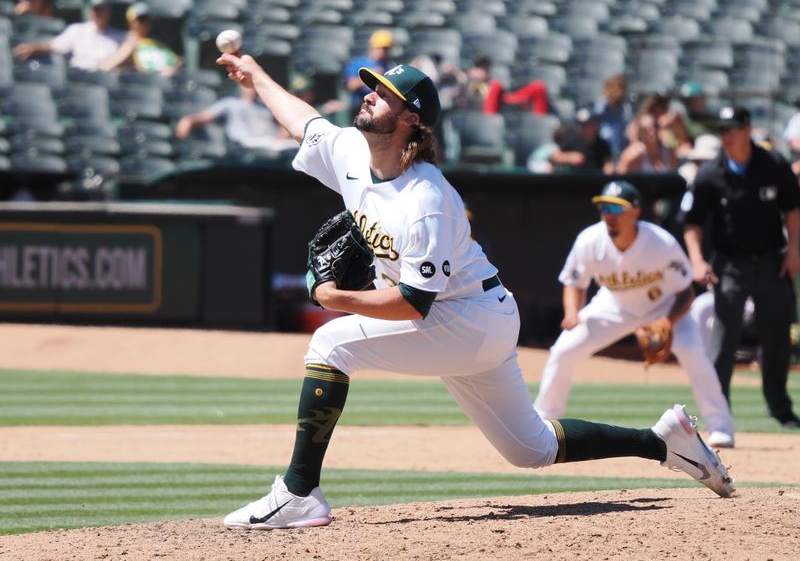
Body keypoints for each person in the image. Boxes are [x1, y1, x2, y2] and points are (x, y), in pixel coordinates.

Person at [214, 52, 734, 530]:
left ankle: (299, 492)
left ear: (410, 119)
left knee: (330, 344)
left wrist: (334, 299)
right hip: (473, 317)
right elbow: (303, 120)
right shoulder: (351, 151)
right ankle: (661, 441)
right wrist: (256, 76)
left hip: (464, 317)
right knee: (529, 448)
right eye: (370, 86)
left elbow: (412, 304)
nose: (368, 93)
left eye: (383, 93)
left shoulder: (428, 199)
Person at [533, 181, 735, 448]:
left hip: (664, 307)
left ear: (636, 212)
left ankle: (721, 427)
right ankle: (543, 420)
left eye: (617, 209)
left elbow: (686, 293)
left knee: (693, 353)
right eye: (604, 207)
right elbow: (574, 281)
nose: (608, 214)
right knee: (563, 350)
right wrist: (572, 312)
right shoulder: (590, 240)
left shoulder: (660, 243)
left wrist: (668, 321)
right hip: (614, 306)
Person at [683, 106, 800, 429]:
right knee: (724, 336)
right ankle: (719, 414)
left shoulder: (773, 164)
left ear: (748, 129)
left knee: (776, 334)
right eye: (724, 130)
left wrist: (794, 250)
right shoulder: (711, 173)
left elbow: (793, 209)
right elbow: (692, 222)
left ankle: (780, 408)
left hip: (770, 262)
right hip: (729, 264)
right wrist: (696, 259)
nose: (728, 136)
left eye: (734, 129)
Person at [12, 0, 125, 71]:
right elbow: (56, 45)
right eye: (95, 9)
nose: (98, 13)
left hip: (105, 78)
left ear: (108, 12)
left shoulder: (120, 37)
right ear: (90, 11)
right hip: (78, 76)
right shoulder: (77, 29)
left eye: (101, 9)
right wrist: (33, 48)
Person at [175, 82, 297, 153]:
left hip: (273, 142)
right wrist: (188, 120)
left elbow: (282, 129)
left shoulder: (266, 106)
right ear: (241, 86)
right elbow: (205, 117)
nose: (251, 88)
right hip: (247, 143)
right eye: (247, 84)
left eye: (253, 85)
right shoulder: (230, 103)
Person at [100, 2, 179, 76]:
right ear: (130, 22)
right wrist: (128, 50)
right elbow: (106, 67)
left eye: (146, 19)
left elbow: (173, 63)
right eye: (140, 19)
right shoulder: (123, 40)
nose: (144, 23)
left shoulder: (158, 43)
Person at [456, 56, 549, 116]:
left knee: (538, 86)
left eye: (485, 67)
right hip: (481, 111)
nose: (484, 70)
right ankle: (489, 120)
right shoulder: (465, 81)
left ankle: (542, 121)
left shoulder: (492, 83)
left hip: (503, 102)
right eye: (480, 67)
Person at [343, 29, 394, 122]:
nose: (385, 51)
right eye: (382, 48)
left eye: (387, 49)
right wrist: (370, 76)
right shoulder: (358, 63)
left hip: (378, 108)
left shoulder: (388, 66)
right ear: (373, 47)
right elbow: (351, 85)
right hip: (359, 107)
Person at [549, 107, 614, 174]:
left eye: (588, 124)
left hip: (595, 180)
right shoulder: (572, 140)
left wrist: (608, 168)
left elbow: (607, 162)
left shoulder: (602, 144)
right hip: (575, 179)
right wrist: (569, 157)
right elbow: (555, 156)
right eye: (583, 125)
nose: (585, 128)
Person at [593, 74, 632, 162]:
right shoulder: (602, 102)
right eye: (620, 88)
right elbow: (597, 117)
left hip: (619, 144)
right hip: (604, 144)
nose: (623, 91)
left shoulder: (623, 107)